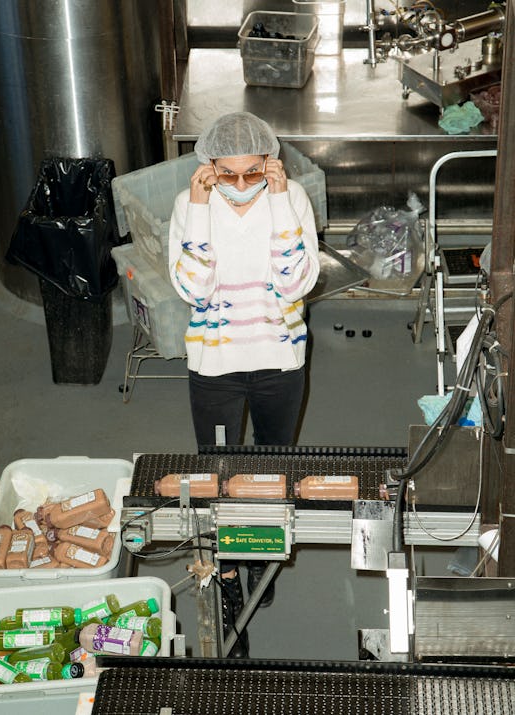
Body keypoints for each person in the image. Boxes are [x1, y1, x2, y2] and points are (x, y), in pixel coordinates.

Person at [169, 111, 320, 657]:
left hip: (279, 358)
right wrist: (202, 211)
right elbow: (192, 287)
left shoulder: (291, 198)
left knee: (272, 466)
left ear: (269, 163)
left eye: (251, 173)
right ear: (207, 168)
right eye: (226, 174)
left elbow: (297, 279)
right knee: (220, 474)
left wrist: (278, 200)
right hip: (215, 367)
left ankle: (260, 558)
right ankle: (230, 588)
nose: (239, 184)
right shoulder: (192, 206)